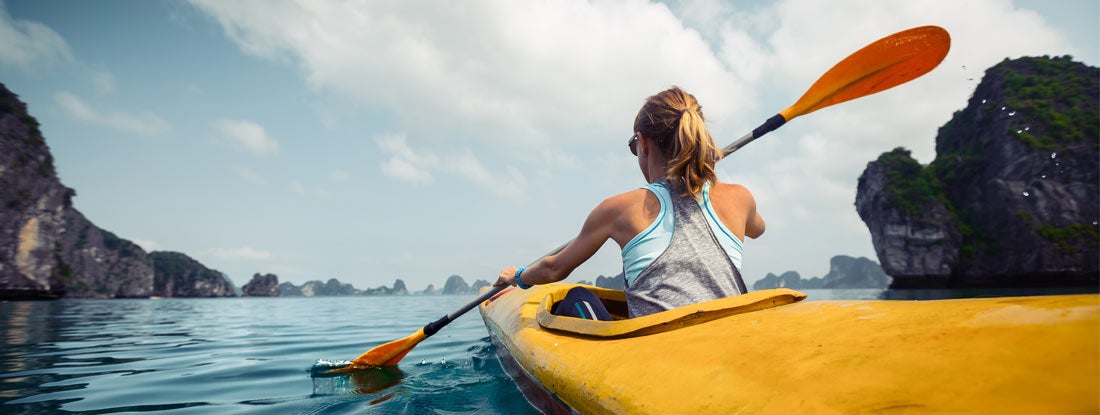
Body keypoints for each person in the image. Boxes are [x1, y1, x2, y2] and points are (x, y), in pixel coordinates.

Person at [494, 86, 765, 319]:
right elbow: (757, 229)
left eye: (634, 146)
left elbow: (554, 268)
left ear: (643, 143)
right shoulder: (740, 198)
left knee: (576, 297)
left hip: (660, 351)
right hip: (730, 336)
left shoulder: (619, 209)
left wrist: (516, 277)